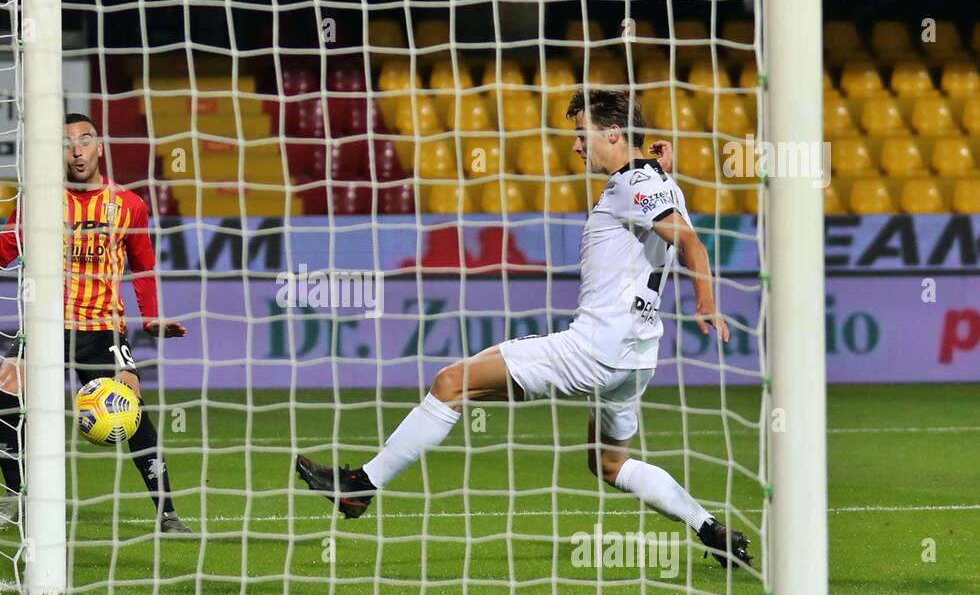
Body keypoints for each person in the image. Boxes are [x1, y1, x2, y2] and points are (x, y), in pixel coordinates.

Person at [295, 88, 751, 568]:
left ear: (613, 132)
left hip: (593, 348)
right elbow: (661, 205)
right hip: (635, 357)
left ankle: (360, 488)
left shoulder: (633, 184)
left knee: (451, 382)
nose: (577, 145)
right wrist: (660, 166)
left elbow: (689, 243)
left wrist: (705, 301)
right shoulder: (653, 181)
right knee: (610, 464)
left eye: (583, 134)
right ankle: (709, 527)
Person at [0, 113, 190, 533]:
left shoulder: (128, 204)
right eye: (68, 143)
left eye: (85, 140)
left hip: (102, 326)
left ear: (99, 148)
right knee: (6, 392)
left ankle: (167, 511)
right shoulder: (39, 200)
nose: (77, 149)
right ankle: (16, 494)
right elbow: (7, 245)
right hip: (47, 325)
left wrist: (153, 320)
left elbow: (144, 267)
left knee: (132, 408)